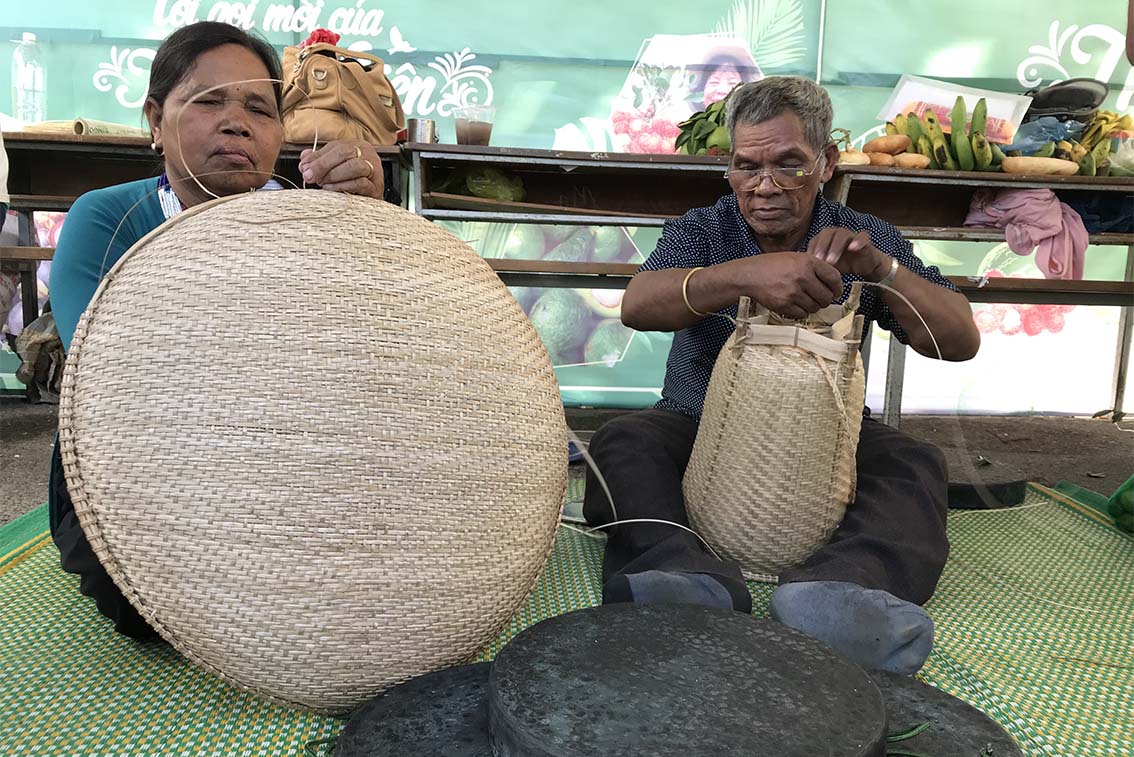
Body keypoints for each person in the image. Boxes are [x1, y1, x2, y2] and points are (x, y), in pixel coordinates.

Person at [583, 76, 980, 675]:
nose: (764, 186)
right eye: (747, 167)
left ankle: (839, 591)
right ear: (730, 168)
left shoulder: (862, 239)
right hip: (695, 426)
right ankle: (685, 578)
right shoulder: (704, 228)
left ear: (825, 163)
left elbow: (959, 341)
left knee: (914, 465)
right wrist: (747, 274)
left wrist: (884, 270)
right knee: (623, 442)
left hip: (832, 439)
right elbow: (639, 305)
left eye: (788, 165)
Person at [48, 21, 390, 639]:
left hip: (288, 453)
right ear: (156, 120)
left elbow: (368, 354)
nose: (237, 123)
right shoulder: (105, 217)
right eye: (208, 101)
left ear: (280, 134)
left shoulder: (309, 217)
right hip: (140, 462)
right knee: (148, 600)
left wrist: (366, 227)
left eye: (259, 108)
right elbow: (103, 375)